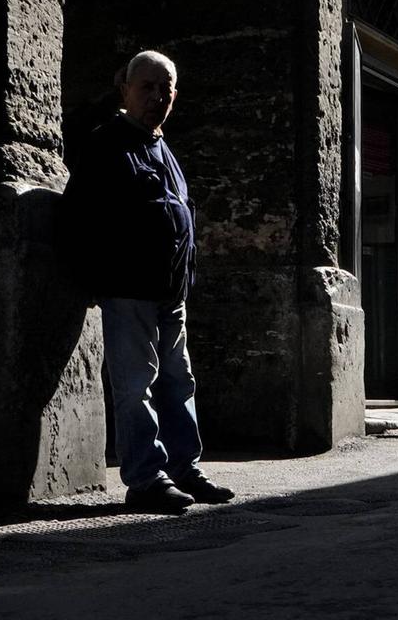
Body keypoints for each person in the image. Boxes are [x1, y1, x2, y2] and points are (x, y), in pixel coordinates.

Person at [61, 50, 235, 513]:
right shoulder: (106, 144)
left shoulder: (163, 146)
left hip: (170, 292)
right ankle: (145, 480)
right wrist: (97, 279)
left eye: (167, 88)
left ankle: (184, 469)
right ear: (125, 90)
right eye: (148, 87)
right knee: (136, 384)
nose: (159, 96)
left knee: (179, 382)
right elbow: (78, 217)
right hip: (128, 289)